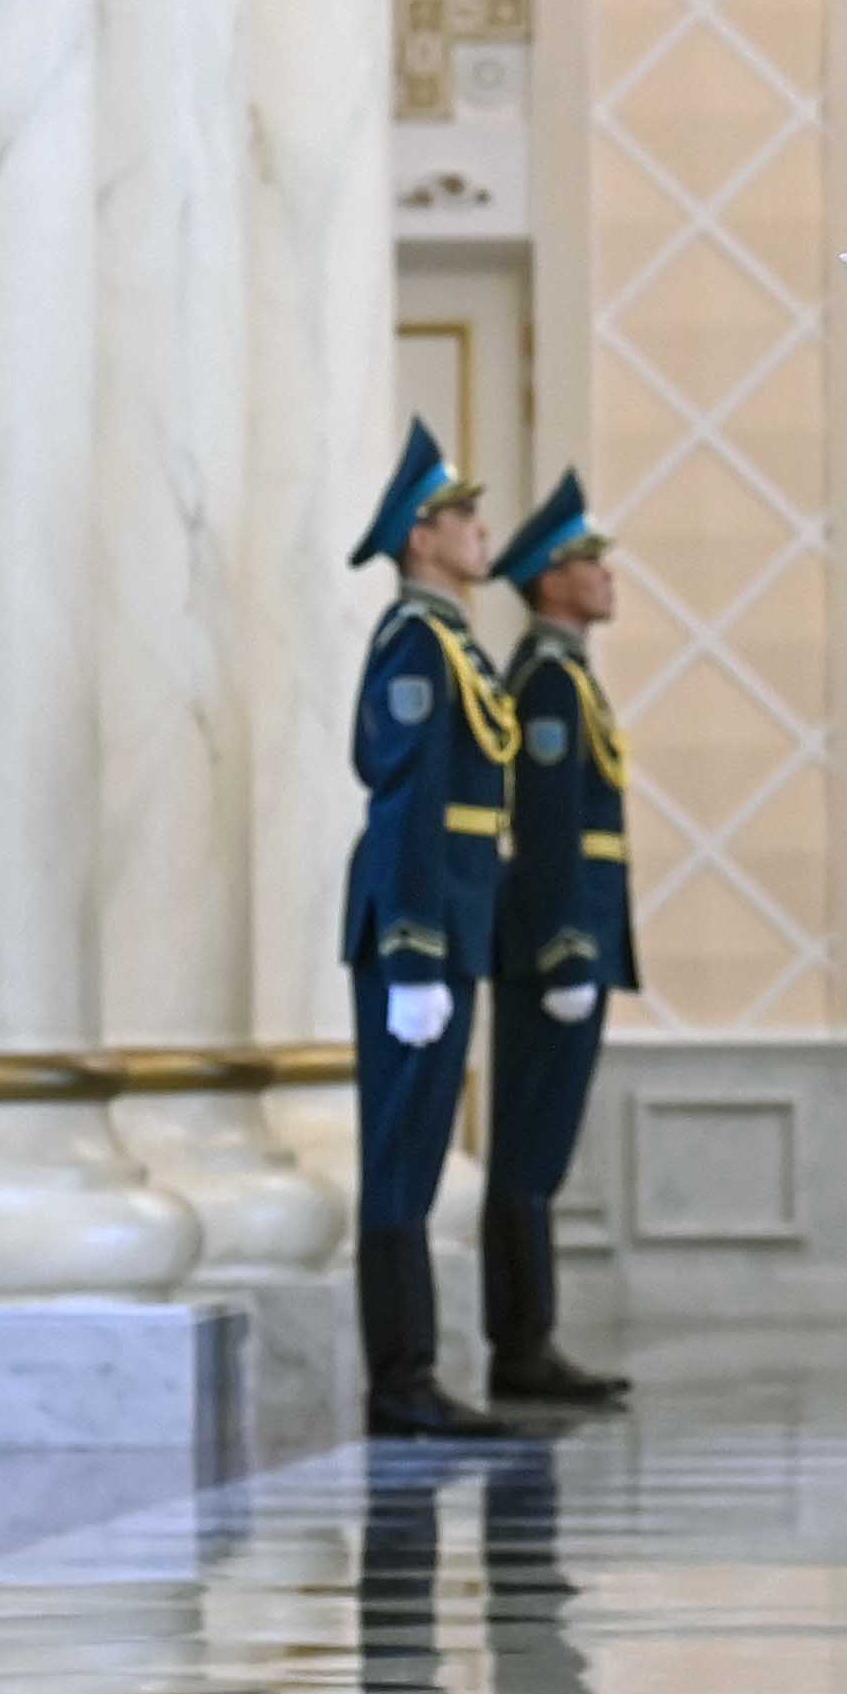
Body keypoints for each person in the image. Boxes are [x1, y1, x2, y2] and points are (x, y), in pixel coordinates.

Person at [344, 418, 515, 1443]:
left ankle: (411, 1375)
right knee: (400, 1158)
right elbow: (406, 804)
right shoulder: (415, 643)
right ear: (421, 536)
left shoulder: (451, 642)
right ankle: (399, 1380)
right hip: (417, 932)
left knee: (415, 1154)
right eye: (462, 516)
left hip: (450, 926)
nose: (480, 531)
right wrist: (411, 954)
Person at [480, 471, 633, 1413]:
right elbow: (545, 832)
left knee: (542, 1152)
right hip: (556, 951)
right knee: (528, 1152)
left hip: (578, 941)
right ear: (549, 580)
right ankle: (520, 1343)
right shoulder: (545, 681)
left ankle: (530, 1337)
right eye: (587, 562)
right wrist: (565, 949)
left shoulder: (566, 675)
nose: (606, 575)